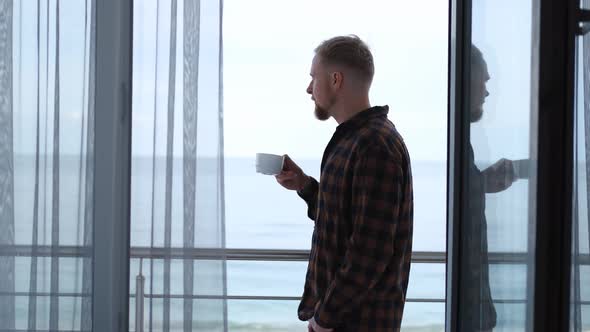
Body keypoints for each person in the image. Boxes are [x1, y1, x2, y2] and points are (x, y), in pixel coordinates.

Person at [275, 35, 413, 332]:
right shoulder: (354, 140)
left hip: (355, 322)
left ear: (336, 79)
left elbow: (370, 250)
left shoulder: (374, 145)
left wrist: (324, 319)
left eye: (314, 77)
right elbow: (343, 221)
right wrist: (304, 186)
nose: (309, 88)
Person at [461, 45, 517, 332]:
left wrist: (479, 184)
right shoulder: (458, 143)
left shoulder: (460, 142)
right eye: (483, 81)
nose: (486, 92)